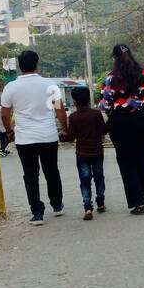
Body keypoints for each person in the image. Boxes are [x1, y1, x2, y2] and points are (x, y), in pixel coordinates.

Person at [0, 49, 65, 226]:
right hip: (48, 136)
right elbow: (59, 110)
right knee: (51, 171)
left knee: (30, 175)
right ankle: (57, 204)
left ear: (20, 67)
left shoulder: (11, 87)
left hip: (25, 138)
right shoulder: (50, 84)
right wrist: (66, 129)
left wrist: (9, 131)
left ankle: (37, 213)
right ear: (37, 64)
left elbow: (4, 114)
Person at [99, 43, 144, 215]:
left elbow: (104, 104)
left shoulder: (110, 78)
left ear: (114, 58)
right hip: (143, 122)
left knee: (126, 162)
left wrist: (118, 108)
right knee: (142, 158)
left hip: (120, 124)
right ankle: (142, 189)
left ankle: (137, 202)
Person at [58, 85, 106, 219]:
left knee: (85, 180)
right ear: (89, 99)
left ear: (75, 101)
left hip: (82, 154)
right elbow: (103, 130)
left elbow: (71, 137)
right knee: (99, 176)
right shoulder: (96, 114)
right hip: (97, 151)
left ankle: (87, 208)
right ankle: (101, 203)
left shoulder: (73, 117)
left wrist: (61, 136)